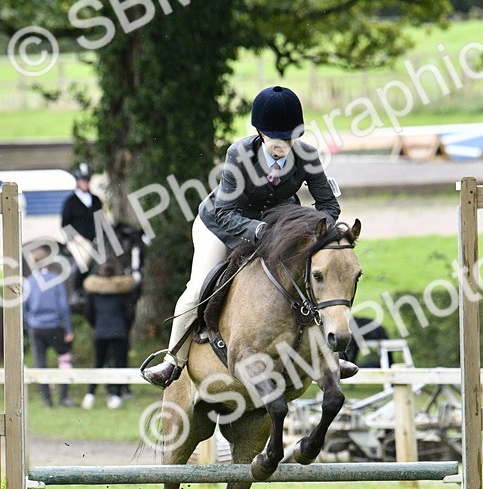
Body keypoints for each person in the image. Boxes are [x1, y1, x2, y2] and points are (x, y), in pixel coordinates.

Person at [141, 86, 358, 388]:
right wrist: (259, 231)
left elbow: (329, 205)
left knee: (314, 278)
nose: (283, 145)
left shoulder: (307, 155)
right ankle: (173, 361)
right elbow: (225, 211)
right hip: (222, 225)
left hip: (279, 228)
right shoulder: (239, 155)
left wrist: (313, 232)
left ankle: (327, 355)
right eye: (276, 139)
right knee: (197, 286)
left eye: (288, 137)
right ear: (260, 132)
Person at [81, 254, 137, 410]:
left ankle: (90, 395)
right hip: (120, 331)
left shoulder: (94, 293)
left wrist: (97, 325)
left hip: (100, 331)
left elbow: (89, 313)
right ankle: (116, 396)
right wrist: (125, 327)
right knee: (119, 364)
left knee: (98, 363)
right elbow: (129, 313)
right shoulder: (123, 292)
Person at [23, 253, 76, 408]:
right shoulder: (56, 280)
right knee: (65, 358)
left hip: (36, 328)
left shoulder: (29, 281)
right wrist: (68, 328)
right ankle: (63, 397)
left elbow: (24, 308)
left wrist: (30, 324)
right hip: (53, 327)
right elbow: (63, 306)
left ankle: (46, 400)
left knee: (40, 363)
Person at [61, 162, 105, 273]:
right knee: (84, 261)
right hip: (77, 241)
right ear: (77, 181)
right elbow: (65, 224)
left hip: (95, 240)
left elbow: (101, 221)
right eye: (82, 180)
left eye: (87, 180)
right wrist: (76, 237)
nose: (85, 183)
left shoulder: (96, 200)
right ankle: (77, 288)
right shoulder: (70, 202)